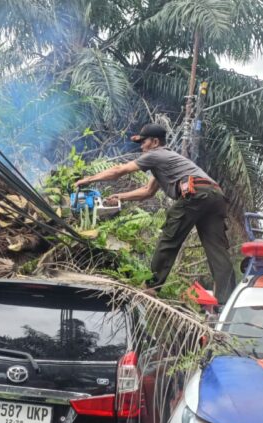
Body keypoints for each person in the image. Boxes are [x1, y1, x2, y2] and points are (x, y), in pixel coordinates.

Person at [75, 123, 236, 305]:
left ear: (155, 142)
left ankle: (151, 286)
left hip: (196, 193)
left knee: (169, 238)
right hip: (216, 197)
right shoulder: (167, 161)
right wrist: (120, 196)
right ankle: (226, 300)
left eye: (143, 142)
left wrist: (88, 179)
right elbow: (147, 191)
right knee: (217, 251)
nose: (141, 147)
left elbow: (119, 170)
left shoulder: (156, 155)